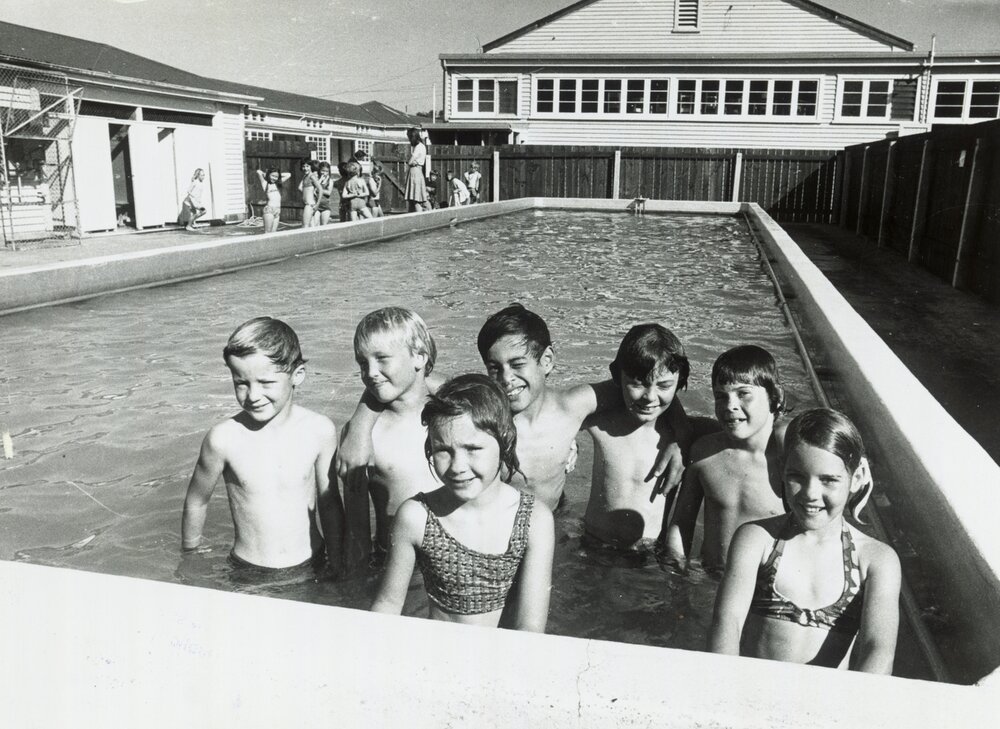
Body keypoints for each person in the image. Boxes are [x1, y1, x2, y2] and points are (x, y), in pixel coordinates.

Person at [337, 303, 689, 514]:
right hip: (493, 528)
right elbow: (413, 382)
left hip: (552, 521)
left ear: (547, 360)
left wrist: (679, 436)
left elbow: (647, 389)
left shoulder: (574, 405)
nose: (506, 379)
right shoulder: (483, 403)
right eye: (494, 367)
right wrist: (360, 423)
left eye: (518, 364)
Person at [709, 408, 901, 673]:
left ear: (855, 479)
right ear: (781, 472)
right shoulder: (757, 540)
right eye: (797, 477)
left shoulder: (875, 560)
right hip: (753, 695)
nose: (811, 494)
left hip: (825, 707)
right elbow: (726, 623)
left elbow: (877, 649)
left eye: (828, 480)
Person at [371, 374, 554, 631]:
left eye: (473, 449)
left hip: (501, 657)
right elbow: (388, 605)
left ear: (505, 442)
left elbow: (531, 627)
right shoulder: (417, 517)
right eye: (443, 450)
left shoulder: (534, 519)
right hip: (439, 652)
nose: (457, 466)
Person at [181, 317, 342, 575]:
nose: (253, 395)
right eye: (241, 383)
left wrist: (338, 562)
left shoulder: (319, 430)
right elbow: (197, 501)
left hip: (313, 564)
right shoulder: (223, 438)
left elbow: (330, 504)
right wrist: (189, 558)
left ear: (297, 375)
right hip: (248, 570)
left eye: (266, 383)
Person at [666, 345, 786, 572]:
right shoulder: (705, 453)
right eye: (720, 396)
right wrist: (674, 578)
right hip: (711, 576)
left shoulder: (787, 456)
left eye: (743, 394)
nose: (730, 405)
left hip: (765, 587)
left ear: (776, 396)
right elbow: (681, 524)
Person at [344, 307, 440, 569]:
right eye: (363, 363)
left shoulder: (453, 412)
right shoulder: (364, 436)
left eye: (382, 358)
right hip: (394, 563)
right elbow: (357, 529)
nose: (371, 372)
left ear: (419, 357)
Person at [581, 324, 689, 551]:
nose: (650, 397)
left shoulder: (680, 436)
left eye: (664, 385)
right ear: (617, 377)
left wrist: (683, 437)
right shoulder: (601, 424)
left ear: (678, 383)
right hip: (594, 544)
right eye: (637, 383)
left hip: (648, 552)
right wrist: (568, 442)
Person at [255, 168, 291, 234]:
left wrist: (278, 175)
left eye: (276, 177)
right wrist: (266, 174)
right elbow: (258, 172)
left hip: (277, 211)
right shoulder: (265, 184)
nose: (274, 178)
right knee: (268, 232)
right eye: (273, 176)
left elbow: (289, 175)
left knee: (274, 233)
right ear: (269, 175)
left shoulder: (278, 183)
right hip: (269, 210)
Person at [404, 126, 429, 213]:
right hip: (418, 171)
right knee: (413, 200)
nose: (409, 140)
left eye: (409, 138)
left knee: (415, 200)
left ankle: (420, 217)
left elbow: (410, 161)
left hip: (415, 172)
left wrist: (411, 162)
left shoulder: (419, 147)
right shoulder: (422, 146)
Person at [299, 159, 322, 228]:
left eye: (307, 166)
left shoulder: (312, 176)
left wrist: (317, 204)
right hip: (307, 204)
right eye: (303, 166)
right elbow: (300, 188)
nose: (305, 168)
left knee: (305, 226)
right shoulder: (305, 177)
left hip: (310, 205)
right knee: (311, 227)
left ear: (311, 167)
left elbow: (320, 189)